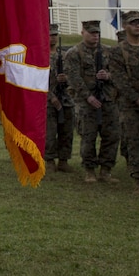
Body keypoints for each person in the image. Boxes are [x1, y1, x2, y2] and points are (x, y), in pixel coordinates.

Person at [64, 19, 120, 183]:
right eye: (91, 33)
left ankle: (106, 170)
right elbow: (73, 78)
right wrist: (88, 96)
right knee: (88, 136)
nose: (95, 36)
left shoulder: (109, 52)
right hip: (86, 102)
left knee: (112, 135)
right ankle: (89, 170)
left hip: (108, 100)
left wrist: (108, 76)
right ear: (83, 33)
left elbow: (120, 75)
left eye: (97, 33)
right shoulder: (74, 53)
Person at [109, 9, 139, 195]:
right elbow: (119, 79)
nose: (137, 25)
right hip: (130, 105)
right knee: (134, 141)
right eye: (133, 22)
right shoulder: (117, 51)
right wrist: (137, 99)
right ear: (125, 26)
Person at [45, 23, 75, 172]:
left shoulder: (64, 56)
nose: (53, 38)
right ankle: (49, 159)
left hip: (65, 98)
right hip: (48, 99)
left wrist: (66, 79)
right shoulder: (40, 55)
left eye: (55, 35)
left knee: (66, 131)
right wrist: (51, 97)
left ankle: (63, 160)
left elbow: (74, 75)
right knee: (50, 131)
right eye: (50, 35)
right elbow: (37, 80)